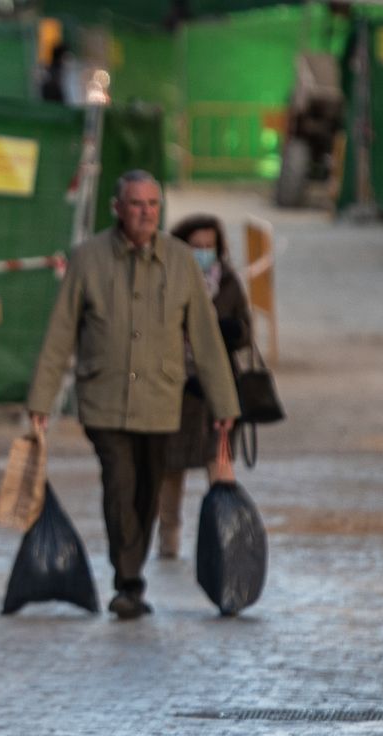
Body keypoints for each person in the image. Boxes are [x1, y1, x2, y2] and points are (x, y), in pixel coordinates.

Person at [26, 170, 240, 620]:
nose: (146, 213)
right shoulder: (88, 259)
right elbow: (60, 332)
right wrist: (41, 401)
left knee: (148, 491)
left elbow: (205, 338)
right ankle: (128, 582)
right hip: (104, 398)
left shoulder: (180, 261)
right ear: (117, 209)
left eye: (153, 204)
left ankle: (130, 570)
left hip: (161, 402)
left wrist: (224, 405)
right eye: (137, 204)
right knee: (119, 484)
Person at [157, 213, 254, 559]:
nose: (203, 252)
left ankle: (225, 539)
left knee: (221, 463)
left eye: (208, 246)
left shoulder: (227, 281)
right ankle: (168, 541)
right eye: (196, 246)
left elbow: (245, 331)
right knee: (171, 470)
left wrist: (228, 330)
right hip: (178, 392)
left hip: (218, 391)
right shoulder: (166, 280)